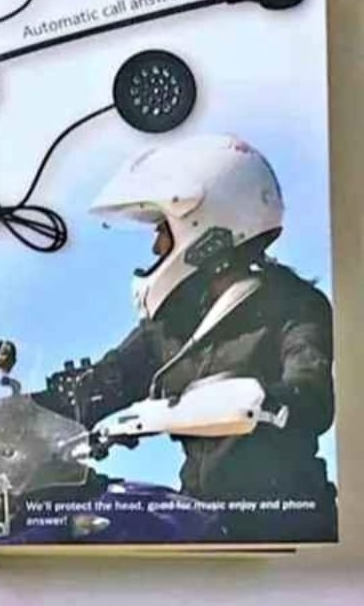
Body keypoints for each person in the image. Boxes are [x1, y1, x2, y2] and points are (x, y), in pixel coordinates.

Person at [33, 132, 336, 540]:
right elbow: (102, 385)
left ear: (208, 230)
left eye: (163, 229)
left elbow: (312, 396)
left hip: (287, 528)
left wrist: (251, 401)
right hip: (204, 523)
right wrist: (11, 417)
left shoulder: (295, 305)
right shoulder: (171, 326)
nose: (157, 246)